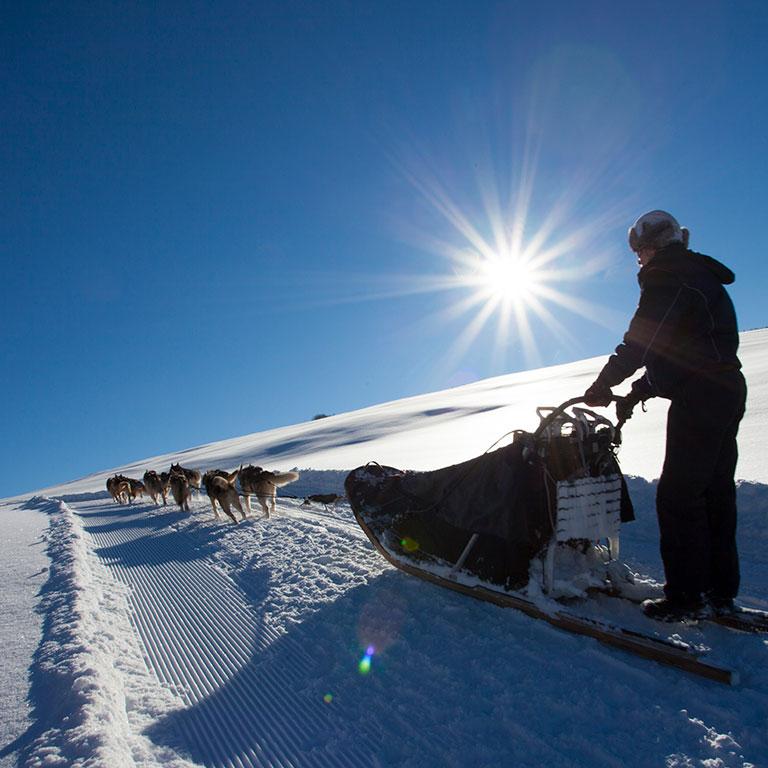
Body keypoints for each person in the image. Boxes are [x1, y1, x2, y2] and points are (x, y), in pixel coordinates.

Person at [583, 210, 747, 621]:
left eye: (640, 252)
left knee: (677, 496)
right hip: (725, 389)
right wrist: (637, 391)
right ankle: (718, 592)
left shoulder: (667, 275)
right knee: (714, 494)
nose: (639, 260)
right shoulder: (698, 274)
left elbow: (643, 339)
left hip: (702, 396)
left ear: (652, 247)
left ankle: (686, 598)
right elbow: (683, 349)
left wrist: (603, 385)